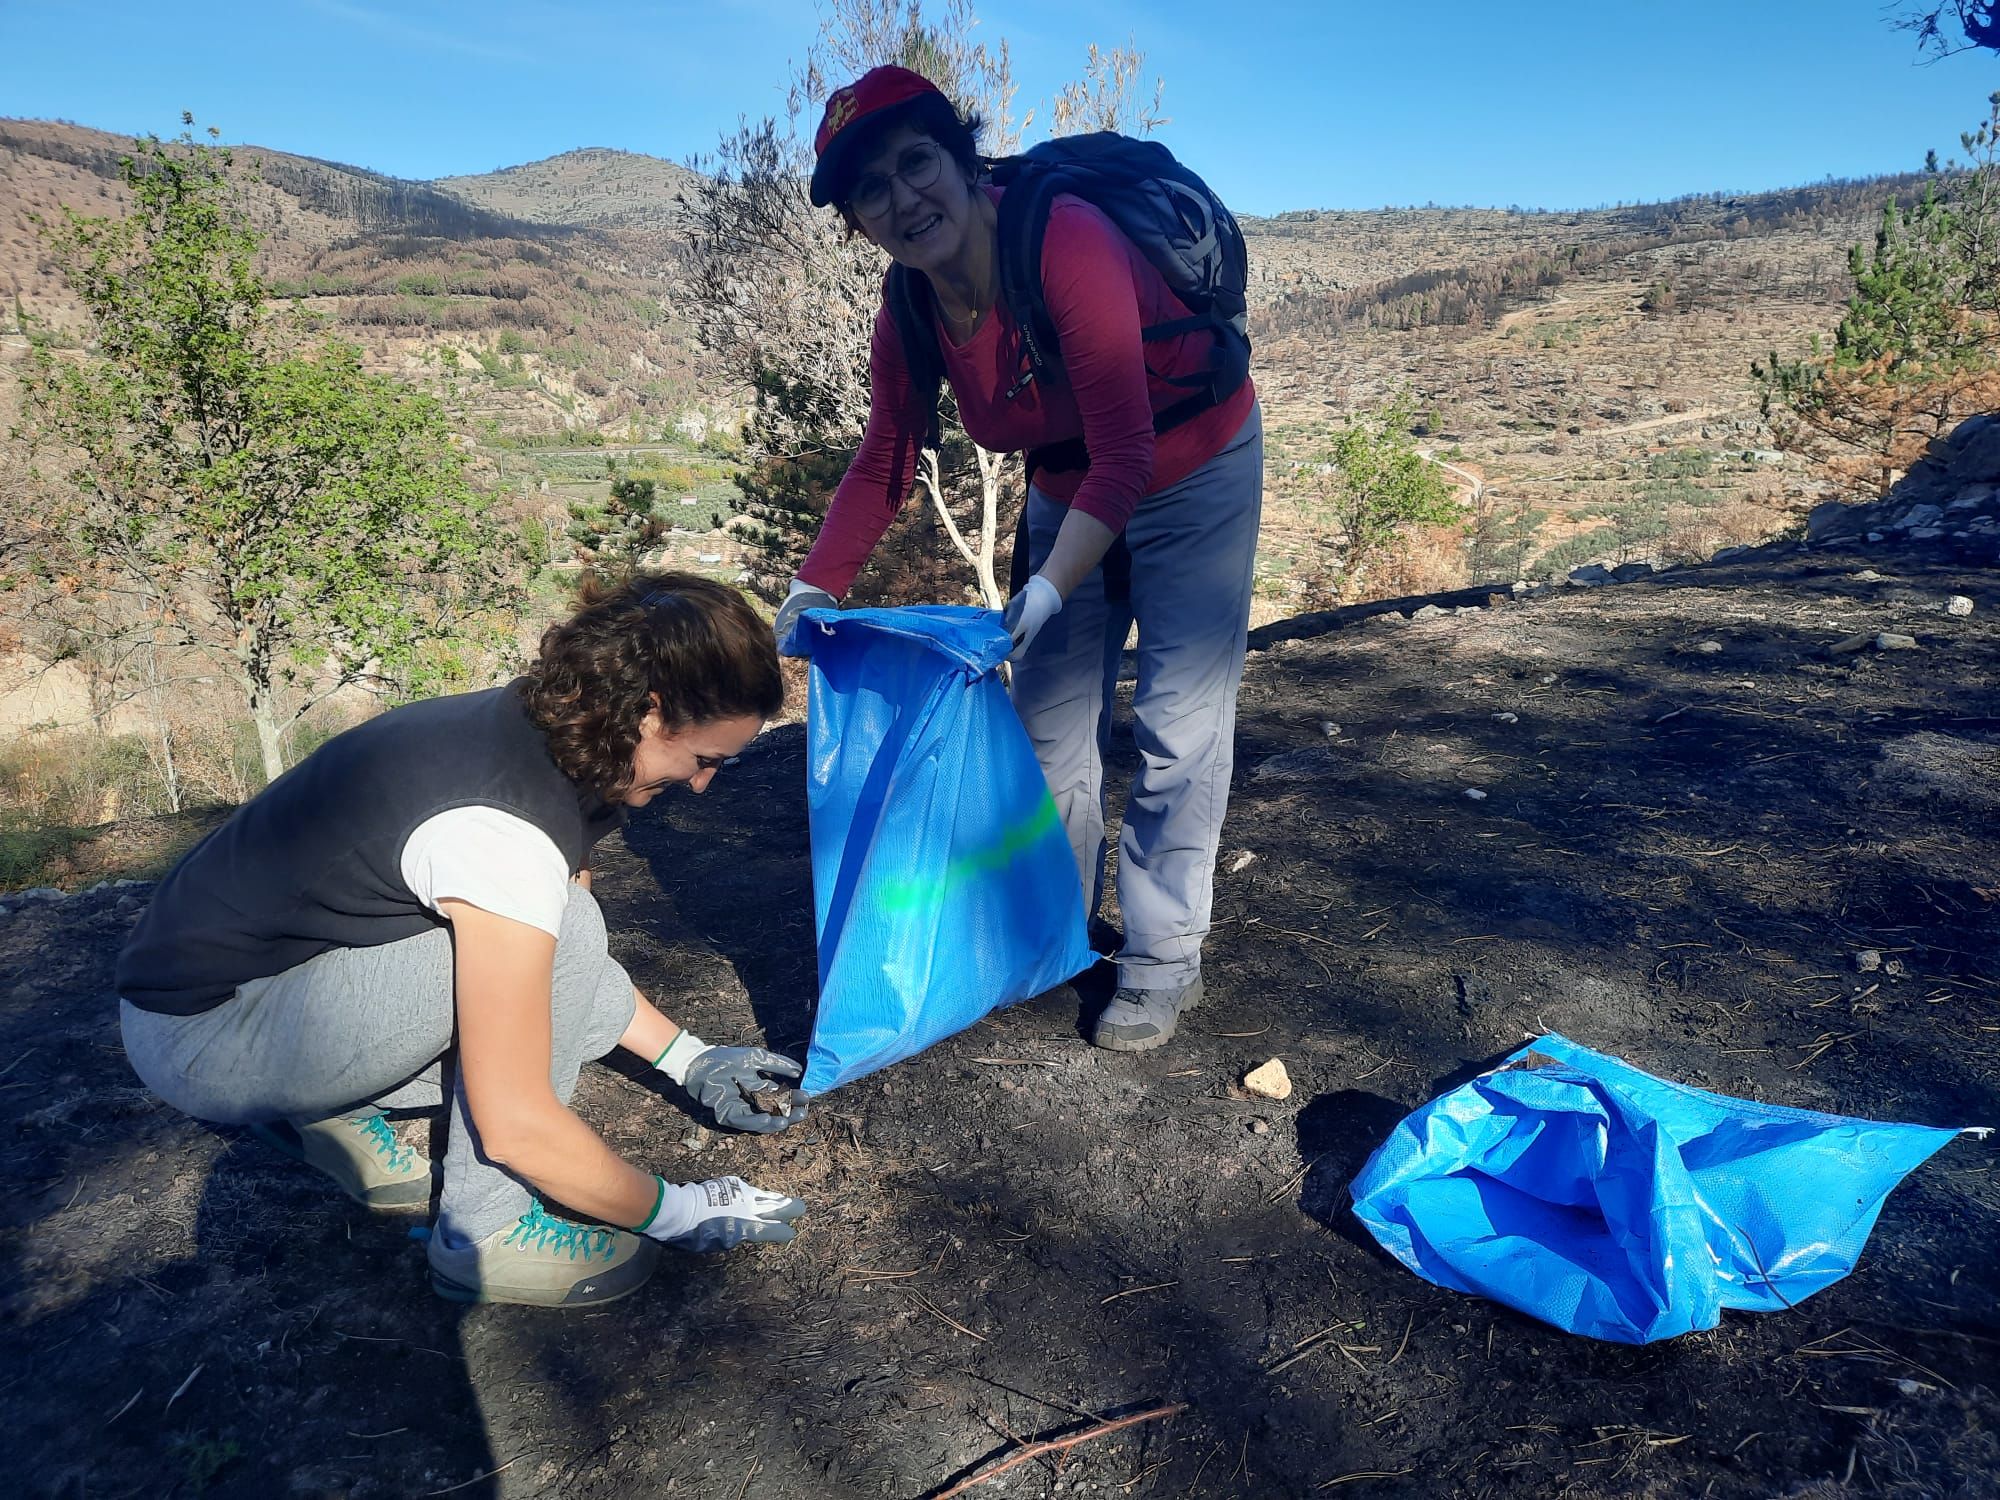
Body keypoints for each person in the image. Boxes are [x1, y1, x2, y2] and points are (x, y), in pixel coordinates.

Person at [117, 573, 809, 1307]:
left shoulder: (556, 732)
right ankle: (487, 1233)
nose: (703, 785)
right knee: (563, 941)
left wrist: (690, 1059)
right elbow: (515, 1123)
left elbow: (556, 968)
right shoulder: (500, 827)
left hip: (275, 987)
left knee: (558, 936)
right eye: (705, 759)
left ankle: (329, 1112)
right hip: (208, 1038)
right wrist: (680, 1211)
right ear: (647, 712)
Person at [773, 66, 1263, 1053]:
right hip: (1063, 481)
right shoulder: (909, 310)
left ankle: (1162, 960)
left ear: (959, 154)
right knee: (1043, 732)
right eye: (871, 190)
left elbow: (1126, 453)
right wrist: (809, 588)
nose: (903, 198)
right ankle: (1049, 931)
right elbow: (885, 457)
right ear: (858, 222)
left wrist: (1046, 584)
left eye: (915, 162)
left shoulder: (1065, 239)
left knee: (1177, 726)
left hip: (1190, 464)